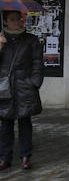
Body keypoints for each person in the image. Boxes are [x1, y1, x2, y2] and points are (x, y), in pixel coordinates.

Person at [0, 10, 43, 170]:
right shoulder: (1, 39)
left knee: (25, 123)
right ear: (5, 22)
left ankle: (25, 156)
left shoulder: (30, 40)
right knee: (6, 124)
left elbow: (37, 63)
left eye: (19, 19)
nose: (18, 22)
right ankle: (5, 157)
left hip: (25, 87)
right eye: (13, 19)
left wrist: (34, 82)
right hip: (5, 88)